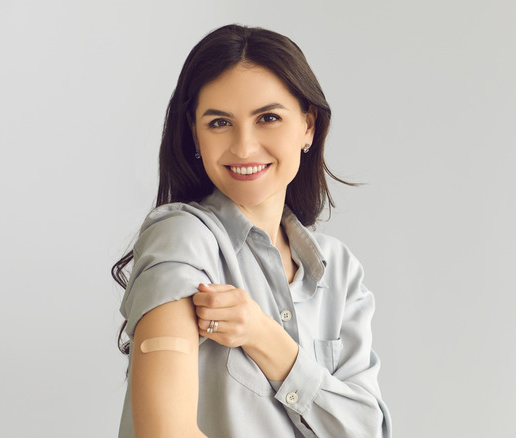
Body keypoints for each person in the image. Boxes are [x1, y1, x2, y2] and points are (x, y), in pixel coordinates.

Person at [112, 24, 391, 437]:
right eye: (219, 122)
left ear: (308, 126)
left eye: (269, 118)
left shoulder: (340, 271)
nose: (244, 147)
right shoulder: (182, 240)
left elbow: (368, 430)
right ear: (194, 132)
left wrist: (264, 337)